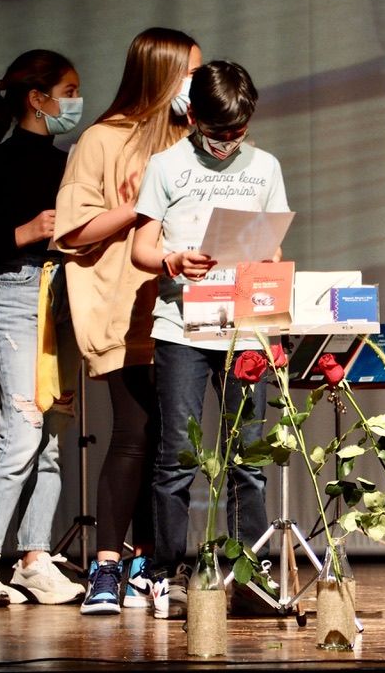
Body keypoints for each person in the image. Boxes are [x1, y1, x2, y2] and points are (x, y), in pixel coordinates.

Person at [131, 59, 288, 619]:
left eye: (239, 131)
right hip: (181, 327)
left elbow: (271, 248)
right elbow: (141, 248)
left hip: (244, 326)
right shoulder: (166, 165)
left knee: (247, 454)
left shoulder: (264, 166)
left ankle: (246, 569)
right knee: (177, 455)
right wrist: (173, 258)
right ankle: (167, 574)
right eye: (218, 132)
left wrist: (268, 271)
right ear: (192, 114)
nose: (229, 142)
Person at [53, 27, 201, 615]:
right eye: (190, 72)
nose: (198, 81)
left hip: (182, 310)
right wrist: (139, 205)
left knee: (172, 443)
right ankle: (107, 567)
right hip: (123, 307)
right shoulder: (101, 140)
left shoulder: (193, 140)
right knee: (135, 434)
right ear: (161, 74)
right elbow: (73, 230)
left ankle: (150, 561)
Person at [0, 49, 86, 607]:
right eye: (69, 91)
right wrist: (23, 232)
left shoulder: (70, 163)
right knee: (22, 427)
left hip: (64, 297)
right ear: (38, 98)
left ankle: (34, 558)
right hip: (15, 294)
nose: (75, 103)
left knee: (51, 437)